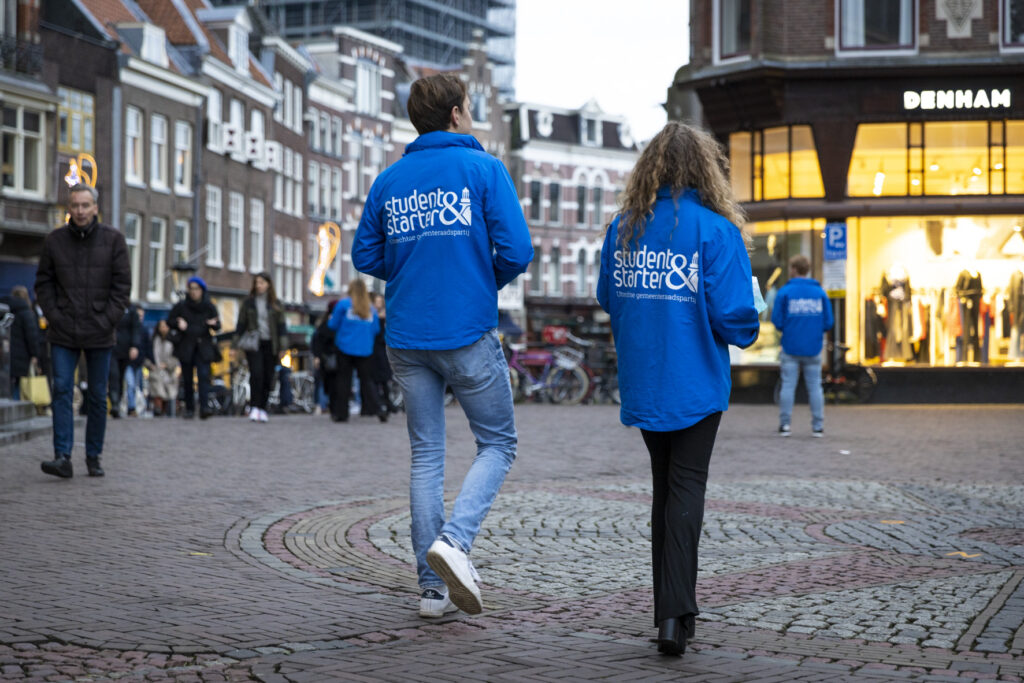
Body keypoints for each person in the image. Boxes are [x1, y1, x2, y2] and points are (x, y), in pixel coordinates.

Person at [352, 73, 533, 619]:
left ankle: (432, 590)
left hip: (407, 334)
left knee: (426, 455)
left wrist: (410, 266)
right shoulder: (483, 168)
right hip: (465, 330)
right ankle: (454, 542)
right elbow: (518, 250)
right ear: (456, 114)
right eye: (470, 107)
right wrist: (483, 275)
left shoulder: (389, 179)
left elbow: (366, 255)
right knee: (498, 443)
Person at [596, 122, 760, 656]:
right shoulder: (715, 230)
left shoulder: (624, 227)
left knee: (664, 488)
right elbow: (735, 317)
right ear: (705, 170)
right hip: (694, 383)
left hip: (645, 380)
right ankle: (674, 614)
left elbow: (608, 297)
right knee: (686, 489)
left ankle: (668, 611)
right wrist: (750, 318)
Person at [34, 183, 131, 478]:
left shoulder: (114, 241)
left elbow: (122, 287)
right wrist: (54, 315)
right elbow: (43, 284)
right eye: (75, 205)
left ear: (95, 208)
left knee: (98, 396)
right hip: (63, 330)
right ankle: (62, 456)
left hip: (100, 331)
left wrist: (107, 319)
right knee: (62, 390)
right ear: (69, 207)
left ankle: (93, 456)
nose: (80, 211)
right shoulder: (54, 241)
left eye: (85, 205)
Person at [771, 254, 835, 438]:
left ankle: (785, 425)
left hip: (790, 347)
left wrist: (789, 329)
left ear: (793, 269)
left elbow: (777, 321)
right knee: (815, 387)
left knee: (788, 386)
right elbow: (828, 322)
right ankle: (817, 427)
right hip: (813, 348)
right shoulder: (820, 292)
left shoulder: (784, 292)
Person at [326, 279, 386, 423]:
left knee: (344, 381)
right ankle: (378, 409)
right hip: (365, 349)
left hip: (345, 348)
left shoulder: (344, 305)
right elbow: (376, 329)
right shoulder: (370, 308)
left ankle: (342, 413)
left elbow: (333, 325)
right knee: (367, 381)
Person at [234, 272, 286, 423]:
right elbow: (241, 324)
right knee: (256, 374)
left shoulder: (276, 304)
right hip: (254, 343)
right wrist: (234, 345)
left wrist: (283, 348)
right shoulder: (248, 303)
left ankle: (263, 408)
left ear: (268, 284)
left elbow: (282, 327)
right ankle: (254, 407)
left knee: (268, 376)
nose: (259, 286)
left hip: (271, 344)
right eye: (257, 283)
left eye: (262, 283)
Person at [167, 276, 220, 419]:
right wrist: (178, 322)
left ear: (202, 290)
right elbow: (169, 321)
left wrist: (213, 324)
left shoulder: (209, 306)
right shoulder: (182, 306)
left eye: (196, 289)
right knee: (187, 378)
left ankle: (204, 407)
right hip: (187, 345)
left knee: (203, 376)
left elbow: (217, 324)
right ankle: (189, 408)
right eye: (191, 289)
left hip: (203, 346)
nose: (194, 292)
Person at [108, 303, 142, 418]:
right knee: (114, 375)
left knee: (121, 376)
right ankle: (115, 403)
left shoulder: (131, 310)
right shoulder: (109, 305)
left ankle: (117, 401)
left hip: (125, 350)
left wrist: (134, 346)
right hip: (111, 347)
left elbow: (135, 329)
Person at [7, 285, 41, 401]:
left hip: (5, 353)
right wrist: (35, 354)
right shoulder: (27, 313)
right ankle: (14, 404)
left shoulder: (5, 310)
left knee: (6, 382)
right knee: (17, 384)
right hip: (21, 355)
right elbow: (32, 336)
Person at [311, 300, 339, 416]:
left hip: (328, 357)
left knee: (325, 382)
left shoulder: (324, 324)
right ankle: (322, 405)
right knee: (324, 382)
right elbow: (317, 342)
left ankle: (324, 405)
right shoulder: (329, 324)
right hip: (328, 357)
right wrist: (317, 356)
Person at [369, 292, 396, 414]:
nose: (379, 305)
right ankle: (378, 404)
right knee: (375, 378)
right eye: (377, 302)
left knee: (385, 378)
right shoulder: (372, 316)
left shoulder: (385, 316)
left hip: (382, 350)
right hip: (374, 350)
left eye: (380, 302)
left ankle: (387, 402)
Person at [148, 319, 179, 417]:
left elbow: (177, 357)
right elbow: (148, 355)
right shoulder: (154, 340)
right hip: (156, 369)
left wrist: (167, 364)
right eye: (161, 326)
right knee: (156, 384)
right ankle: (159, 408)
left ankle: (167, 409)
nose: (163, 328)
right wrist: (150, 365)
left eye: (165, 326)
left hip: (169, 370)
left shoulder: (173, 340)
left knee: (169, 388)